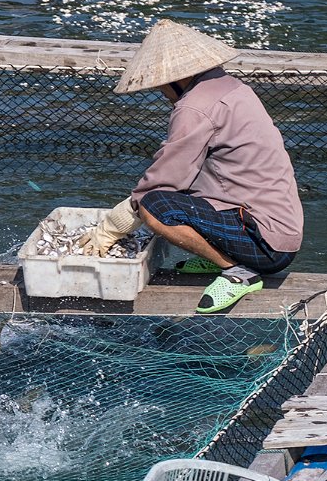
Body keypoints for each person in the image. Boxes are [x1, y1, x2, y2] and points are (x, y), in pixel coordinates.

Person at [86, 19, 302, 314]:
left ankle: (238, 272)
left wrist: (112, 226)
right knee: (175, 196)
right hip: (281, 229)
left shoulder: (194, 107)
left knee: (154, 206)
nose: (161, 91)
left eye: (160, 84)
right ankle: (224, 256)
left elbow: (162, 182)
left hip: (265, 244)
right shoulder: (232, 87)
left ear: (177, 78)